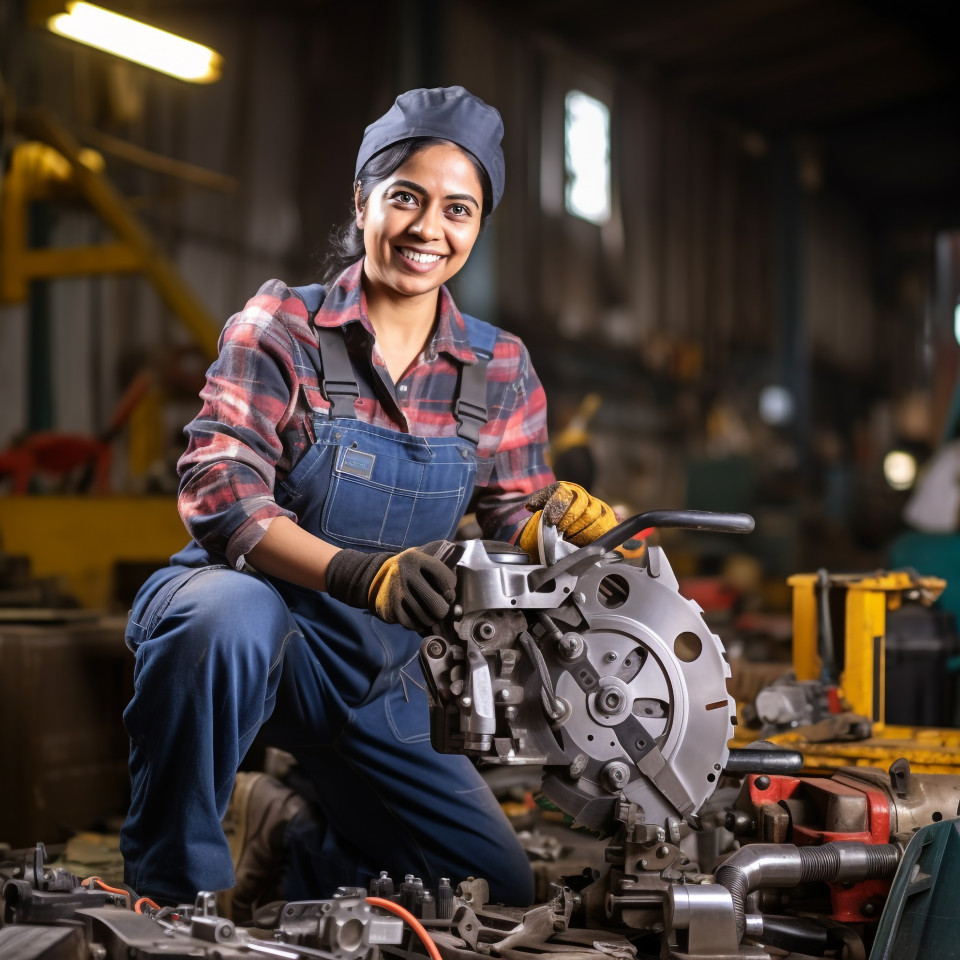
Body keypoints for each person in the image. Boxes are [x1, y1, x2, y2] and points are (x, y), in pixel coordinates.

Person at [119, 86, 619, 911]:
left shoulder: (498, 367)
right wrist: (363, 575)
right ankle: (172, 903)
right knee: (226, 619)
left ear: (479, 225)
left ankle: (290, 833)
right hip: (246, 633)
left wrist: (561, 525)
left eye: (459, 209)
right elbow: (222, 494)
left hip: (375, 673)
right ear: (363, 200)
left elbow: (511, 512)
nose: (430, 229)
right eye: (407, 198)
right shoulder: (282, 326)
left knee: (491, 887)